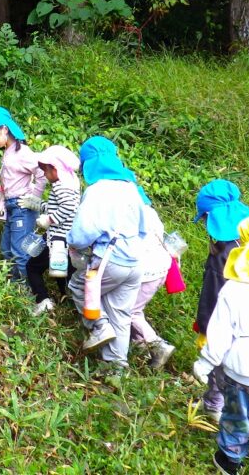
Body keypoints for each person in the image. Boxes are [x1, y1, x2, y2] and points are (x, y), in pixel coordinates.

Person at [193, 215, 249, 475]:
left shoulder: (235, 288)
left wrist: (205, 362)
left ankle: (230, 461)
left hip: (241, 372)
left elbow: (220, 333)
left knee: (236, 418)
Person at [67, 136, 148, 370]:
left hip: (110, 260)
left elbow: (82, 233)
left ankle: (99, 325)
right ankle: (117, 368)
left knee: (79, 287)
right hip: (135, 262)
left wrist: (72, 242)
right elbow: (144, 227)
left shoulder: (97, 191)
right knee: (120, 314)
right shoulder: (130, 187)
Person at [193, 179, 249, 423]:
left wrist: (205, 326)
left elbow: (213, 293)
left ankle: (222, 410)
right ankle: (214, 401)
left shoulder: (223, 255)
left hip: (228, 318)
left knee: (222, 364)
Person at [0, 107, 46, 283]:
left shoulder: (23, 152)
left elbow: (41, 174)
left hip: (22, 207)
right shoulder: (8, 153)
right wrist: (1, 205)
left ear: (4, 129)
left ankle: (26, 294)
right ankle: (15, 286)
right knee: (6, 249)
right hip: (11, 206)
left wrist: (34, 199)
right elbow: (7, 183)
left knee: (20, 252)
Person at [26, 145, 81, 315]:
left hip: (56, 239)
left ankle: (42, 300)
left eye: (46, 170)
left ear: (55, 169)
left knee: (32, 267)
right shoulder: (71, 183)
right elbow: (59, 205)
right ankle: (71, 302)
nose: (44, 174)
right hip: (69, 240)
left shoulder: (59, 186)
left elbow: (68, 207)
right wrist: (39, 205)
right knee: (65, 274)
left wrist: (49, 220)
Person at [130, 196, 175, 369]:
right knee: (134, 309)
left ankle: (157, 345)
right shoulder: (150, 212)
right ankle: (142, 348)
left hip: (147, 270)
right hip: (161, 267)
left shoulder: (132, 213)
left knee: (130, 311)